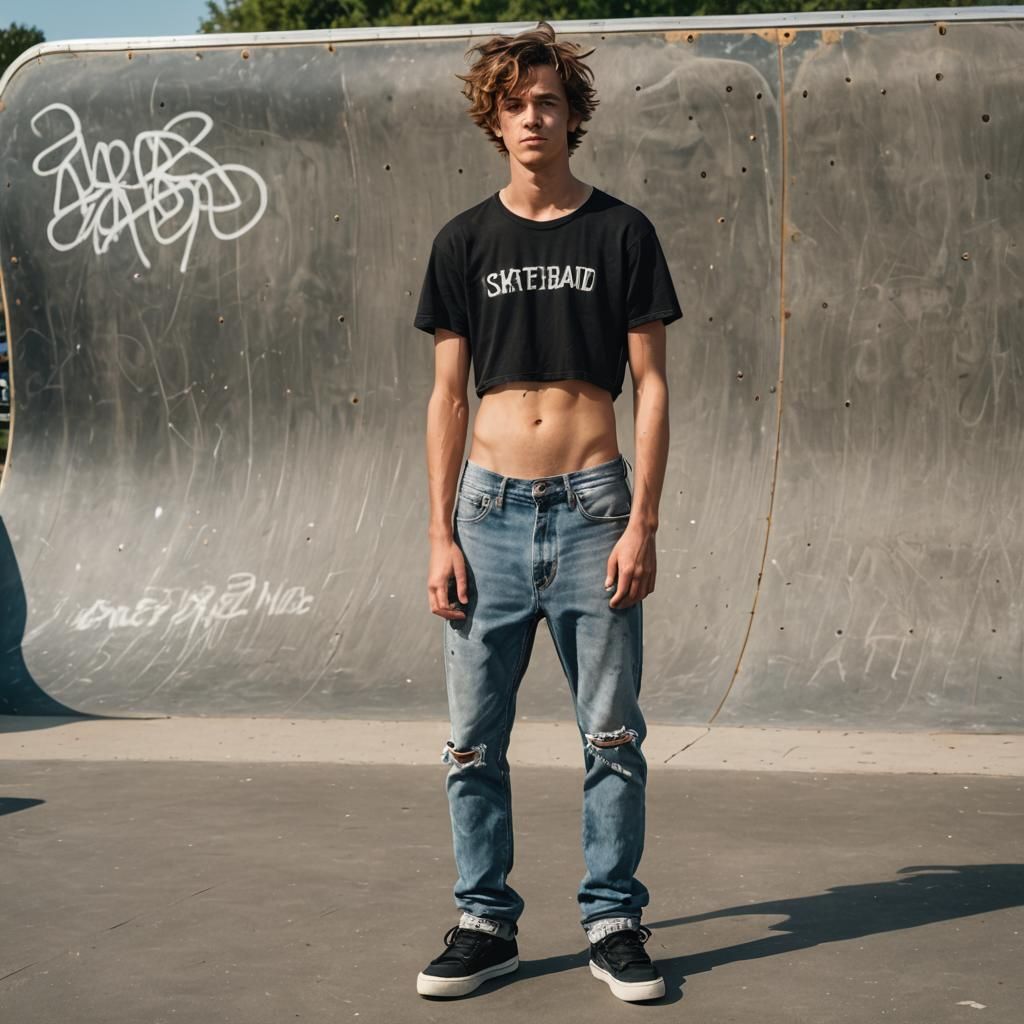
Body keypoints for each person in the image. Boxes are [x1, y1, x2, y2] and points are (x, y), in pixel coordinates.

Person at [412, 21, 681, 1003]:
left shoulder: (620, 232)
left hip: (591, 508)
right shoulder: (463, 241)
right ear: (495, 118)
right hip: (483, 512)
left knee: (609, 734)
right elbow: (447, 395)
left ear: (572, 116)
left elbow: (650, 386)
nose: (533, 117)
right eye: (516, 103)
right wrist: (440, 530)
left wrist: (641, 521)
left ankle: (612, 918)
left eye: (549, 102)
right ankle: (486, 920)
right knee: (471, 741)